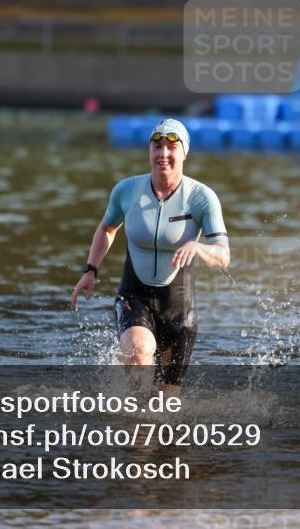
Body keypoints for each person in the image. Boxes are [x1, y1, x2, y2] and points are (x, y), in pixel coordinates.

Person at [71, 119, 229, 397]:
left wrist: (198, 248)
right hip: (135, 296)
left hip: (179, 308)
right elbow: (107, 228)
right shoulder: (127, 190)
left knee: (162, 407)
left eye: (171, 147)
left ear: (184, 153)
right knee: (138, 353)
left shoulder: (202, 198)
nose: (163, 154)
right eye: (157, 147)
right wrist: (90, 269)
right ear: (149, 150)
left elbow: (223, 255)